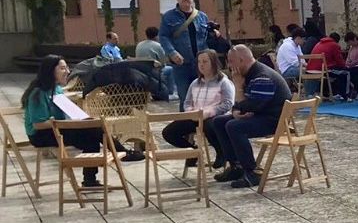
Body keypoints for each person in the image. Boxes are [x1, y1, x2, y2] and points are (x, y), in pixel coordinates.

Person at [21, 56, 143, 188]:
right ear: (50, 71)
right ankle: (122, 152)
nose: (67, 71)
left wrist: (77, 119)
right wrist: (65, 124)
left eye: (67, 67)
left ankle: (90, 180)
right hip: (41, 135)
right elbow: (38, 125)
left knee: (92, 135)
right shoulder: (38, 93)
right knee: (94, 129)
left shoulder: (56, 89)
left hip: (57, 128)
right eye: (62, 68)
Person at [207, 45, 291, 189]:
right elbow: (245, 104)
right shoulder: (249, 74)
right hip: (261, 113)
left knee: (234, 126)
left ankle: (251, 172)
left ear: (241, 60)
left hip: (275, 120)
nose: (229, 65)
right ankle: (236, 166)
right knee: (219, 122)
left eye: (231, 61)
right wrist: (236, 110)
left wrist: (239, 88)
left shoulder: (262, 76)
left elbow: (253, 104)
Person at [163, 50, 234, 163]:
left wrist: (209, 112)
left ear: (213, 63)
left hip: (214, 117)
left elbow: (228, 103)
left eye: (205, 61)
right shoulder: (195, 83)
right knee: (168, 132)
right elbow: (187, 102)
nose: (201, 64)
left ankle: (221, 153)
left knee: (210, 126)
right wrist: (191, 112)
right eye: (199, 62)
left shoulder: (223, 82)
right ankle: (193, 151)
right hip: (195, 116)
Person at [159, 0, 210, 111]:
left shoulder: (202, 16)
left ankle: (201, 126)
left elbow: (206, 39)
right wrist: (172, 53)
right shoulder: (168, 17)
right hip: (181, 65)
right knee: (185, 97)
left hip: (200, 64)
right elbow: (163, 36)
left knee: (203, 97)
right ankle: (185, 125)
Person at [134, 26, 173, 101]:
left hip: (141, 71)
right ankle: (170, 93)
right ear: (157, 35)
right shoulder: (158, 46)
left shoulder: (139, 45)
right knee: (170, 69)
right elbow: (163, 62)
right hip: (154, 71)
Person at [311, 31, 350, 99]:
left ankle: (327, 93)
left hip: (311, 70)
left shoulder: (319, 43)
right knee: (345, 73)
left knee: (335, 72)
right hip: (323, 70)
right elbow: (339, 61)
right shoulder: (334, 45)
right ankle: (345, 95)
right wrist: (346, 66)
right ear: (337, 41)